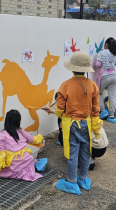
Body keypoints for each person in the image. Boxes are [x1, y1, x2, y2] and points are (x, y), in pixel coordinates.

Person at [42, 52, 102, 195]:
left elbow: (60, 110)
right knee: (86, 153)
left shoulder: (65, 85)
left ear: (72, 69)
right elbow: (96, 111)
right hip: (86, 125)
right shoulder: (93, 85)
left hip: (71, 126)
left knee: (72, 153)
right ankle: (83, 179)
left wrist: (52, 111)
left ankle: (72, 182)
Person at [42, 95, 108, 171]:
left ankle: (82, 160)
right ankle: (90, 159)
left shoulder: (70, 118)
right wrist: (53, 111)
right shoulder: (82, 108)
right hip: (101, 147)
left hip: (95, 148)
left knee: (62, 137)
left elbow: (72, 134)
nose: (57, 105)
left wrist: (64, 128)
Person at [0, 109, 45, 184]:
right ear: (18, 122)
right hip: (26, 161)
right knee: (29, 159)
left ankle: (17, 172)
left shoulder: (1, 135)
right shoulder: (22, 131)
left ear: (6, 120)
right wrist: (40, 137)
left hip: (14, 167)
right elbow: (33, 140)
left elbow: (1, 155)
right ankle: (33, 164)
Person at [94, 38, 116, 122]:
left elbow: (97, 64)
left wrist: (95, 62)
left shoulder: (102, 52)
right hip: (114, 75)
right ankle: (111, 115)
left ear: (106, 44)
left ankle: (103, 111)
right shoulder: (114, 54)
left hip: (104, 76)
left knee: (98, 93)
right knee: (112, 95)